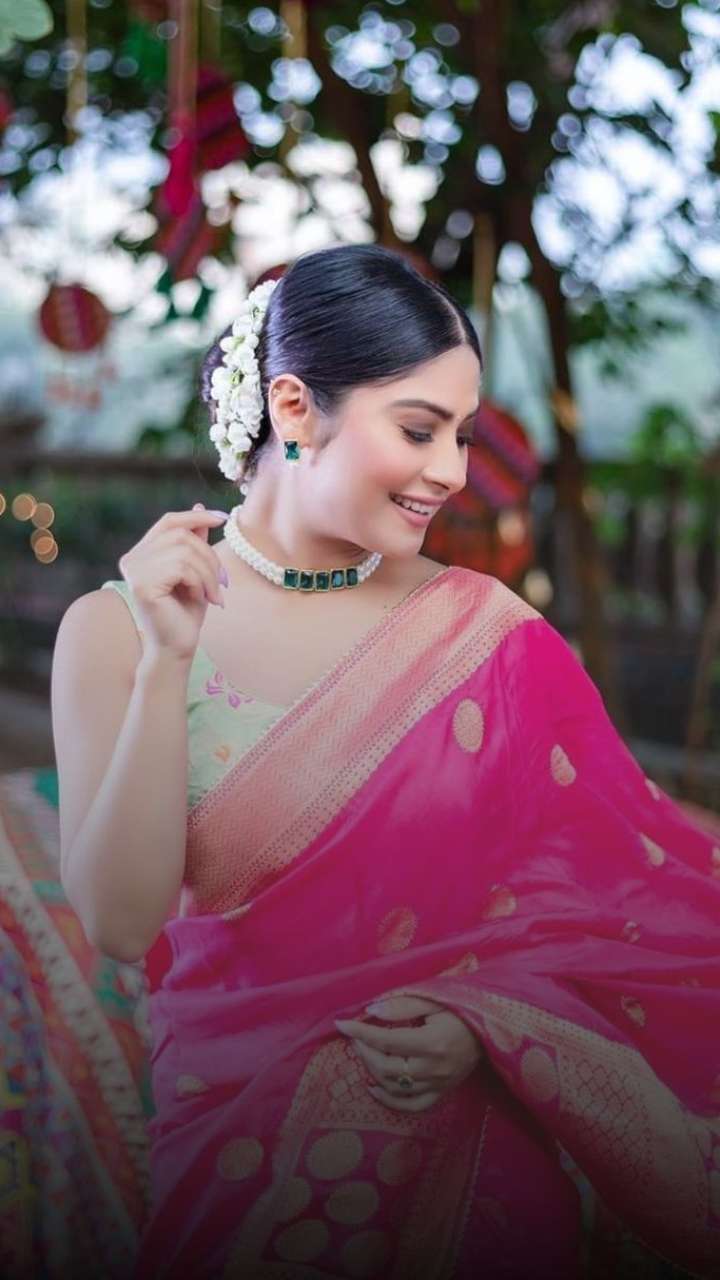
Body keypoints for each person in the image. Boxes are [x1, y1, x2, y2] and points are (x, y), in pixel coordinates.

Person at [51, 244, 720, 1280]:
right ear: (293, 408)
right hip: (238, 1172)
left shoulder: (485, 634)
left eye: (460, 433)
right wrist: (165, 663)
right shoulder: (117, 631)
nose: (451, 470)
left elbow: (609, 899)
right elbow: (120, 922)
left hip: (480, 1183)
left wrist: (489, 1023)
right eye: (418, 429)